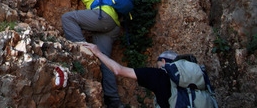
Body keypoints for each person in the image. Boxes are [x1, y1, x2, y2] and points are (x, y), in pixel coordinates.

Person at [44, 0, 124, 108]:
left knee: (68, 18)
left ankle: (81, 52)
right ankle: (114, 101)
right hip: (113, 25)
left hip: (104, 18)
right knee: (105, 62)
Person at [81, 43, 218, 108]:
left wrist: (98, 53)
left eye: (157, 63)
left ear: (163, 61)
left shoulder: (158, 76)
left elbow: (118, 70)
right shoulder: (196, 79)